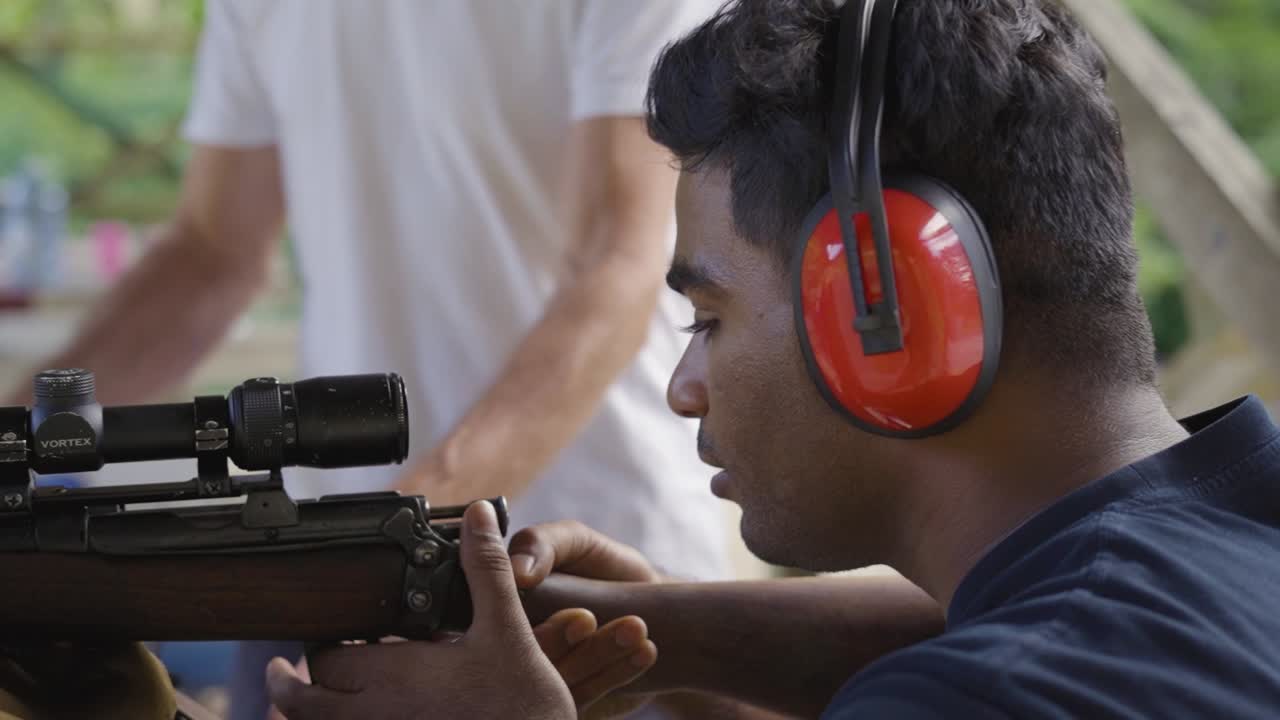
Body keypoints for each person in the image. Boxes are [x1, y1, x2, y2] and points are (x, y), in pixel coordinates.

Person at [262, 0, 1280, 718]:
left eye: (706, 318)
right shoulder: (1236, 538)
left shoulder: (989, 693)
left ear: (888, 314)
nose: (683, 388)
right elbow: (1001, 612)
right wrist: (663, 631)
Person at [3, 1, 732, 717]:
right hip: (318, 567)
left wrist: (395, 535)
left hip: (577, 582)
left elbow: (618, 262)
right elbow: (212, 253)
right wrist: (15, 436)